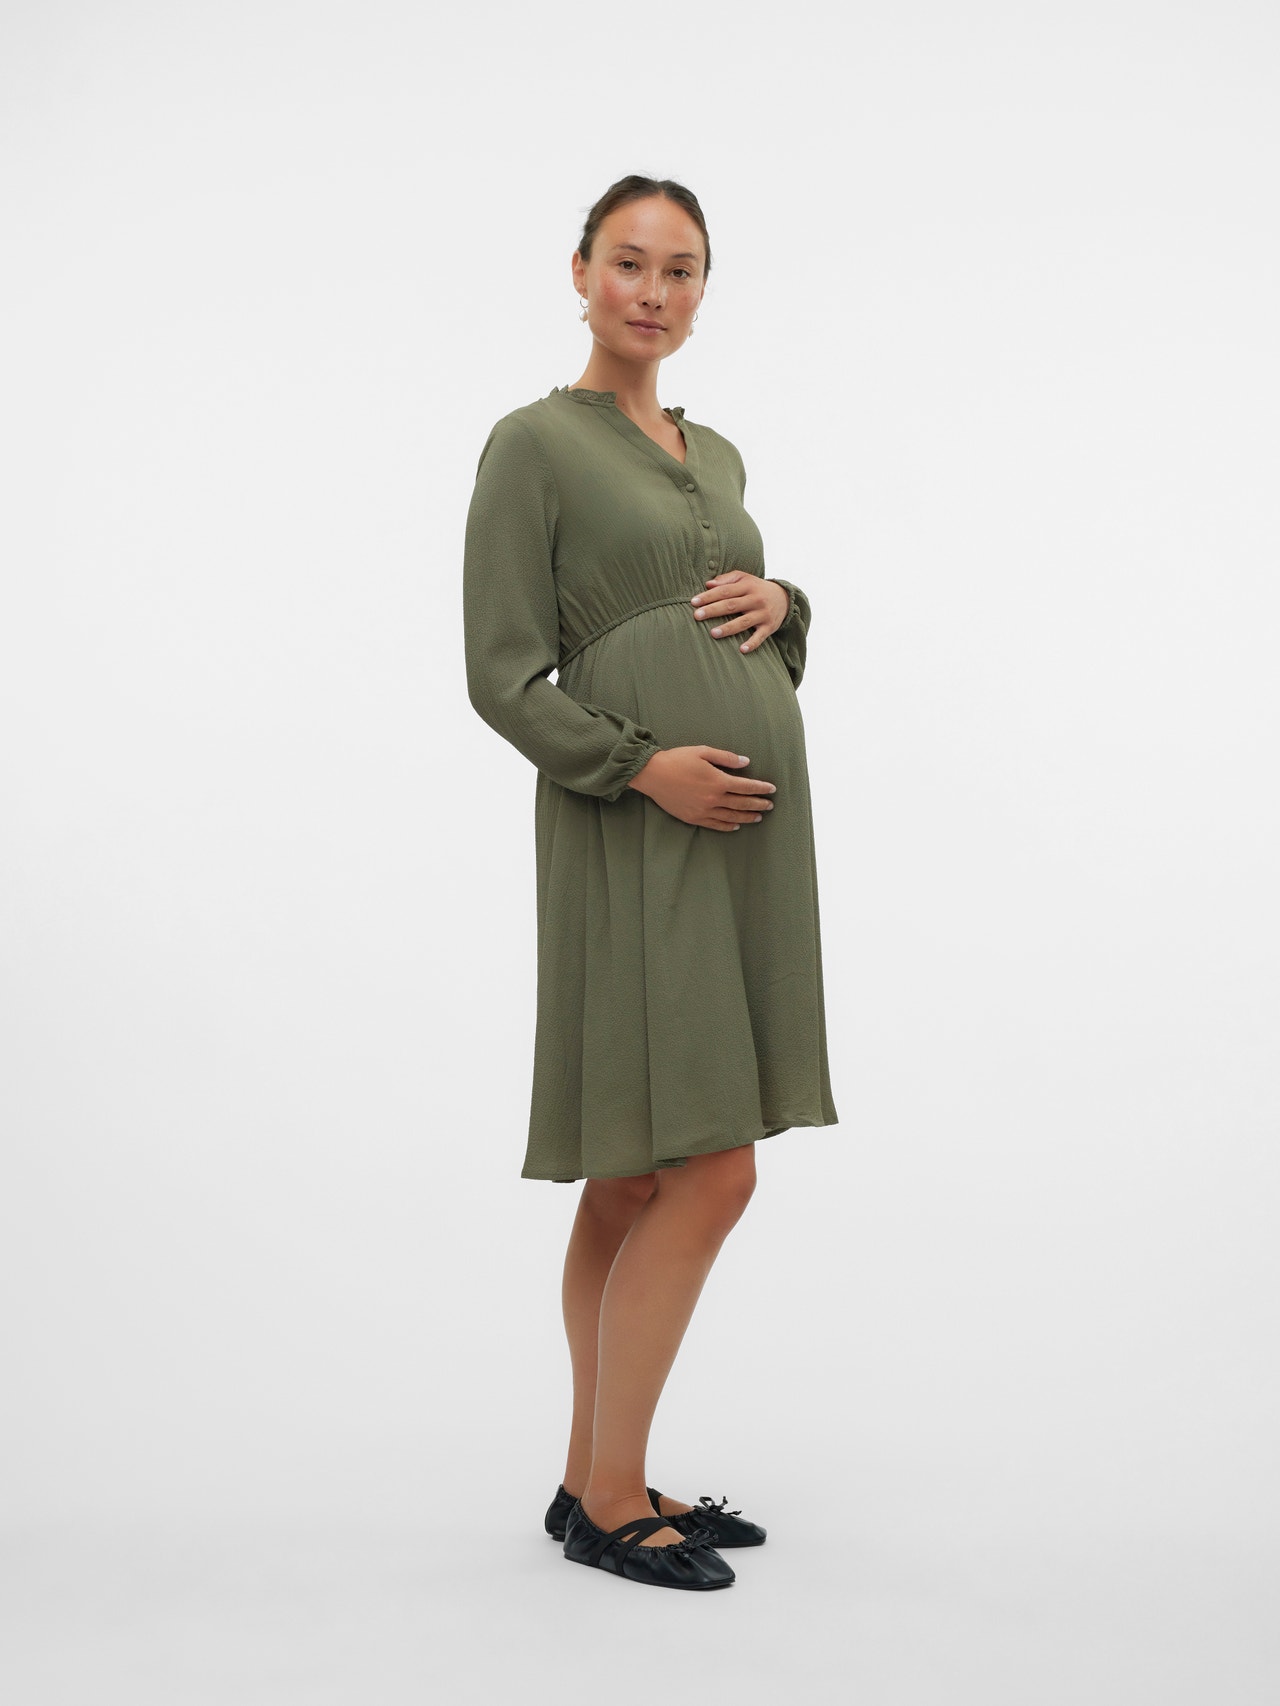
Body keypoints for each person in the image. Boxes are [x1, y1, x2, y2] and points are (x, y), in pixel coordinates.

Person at [462, 174, 839, 1591]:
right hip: (631, 824)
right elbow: (502, 674)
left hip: (742, 842)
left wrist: (788, 603)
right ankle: (616, 1494)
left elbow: (745, 620)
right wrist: (641, 766)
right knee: (706, 1167)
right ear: (580, 273)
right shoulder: (532, 446)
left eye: (681, 270)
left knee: (635, 1175)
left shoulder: (715, 451)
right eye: (629, 262)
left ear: (700, 294)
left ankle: (590, 1479)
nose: (653, 291)